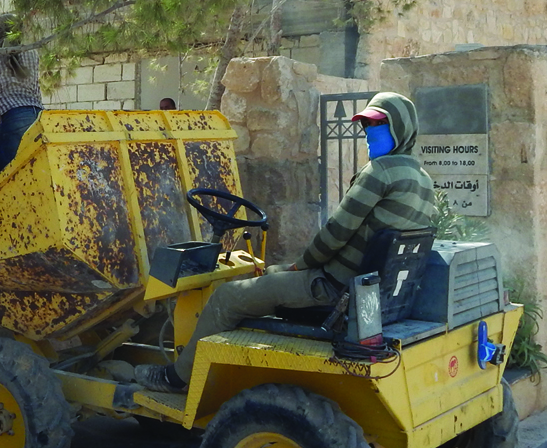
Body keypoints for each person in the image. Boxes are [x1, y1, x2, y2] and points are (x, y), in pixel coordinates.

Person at [135, 91, 434, 392]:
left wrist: (299, 265)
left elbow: (334, 234)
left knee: (225, 298)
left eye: (379, 124)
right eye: (366, 125)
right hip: (366, 290)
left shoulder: (379, 173)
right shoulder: (421, 178)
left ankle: (177, 378)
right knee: (269, 273)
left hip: (333, 288)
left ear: (401, 127)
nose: (370, 132)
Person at [0, 13, 44, 174]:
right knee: (36, 175)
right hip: (40, 119)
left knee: (8, 179)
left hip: (13, 121)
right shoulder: (32, 53)